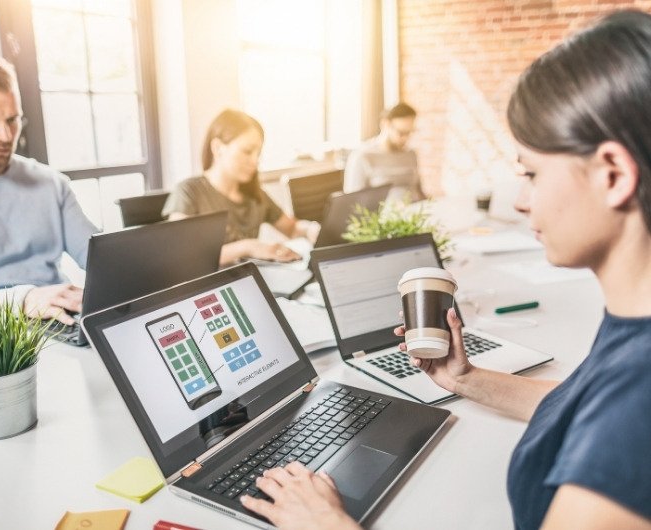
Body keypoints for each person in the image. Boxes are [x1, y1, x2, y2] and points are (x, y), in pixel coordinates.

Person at [239, 10, 651, 530]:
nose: (522, 200)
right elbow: (581, 406)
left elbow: (617, 427)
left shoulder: (638, 408)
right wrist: (465, 378)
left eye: (531, 172)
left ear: (613, 174)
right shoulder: (634, 330)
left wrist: (325, 524)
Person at [0, 51, 98, 324]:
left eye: (12, 120)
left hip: (60, 322)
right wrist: (24, 299)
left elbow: (100, 259)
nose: (5, 136)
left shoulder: (51, 183)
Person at [163, 109, 319, 265]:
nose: (255, 161)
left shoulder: (256, 196)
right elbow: (180, 257)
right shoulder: (188, 192)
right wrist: (249, 247)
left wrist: (310, 228)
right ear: (218, 148)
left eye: (258, 154)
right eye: (247, 151)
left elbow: (292, 229)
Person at [343, 102, 425, 201]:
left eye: (409, 132)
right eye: (401, 133)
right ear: (385, 124)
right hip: (383, 215)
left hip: (415, 213)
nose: (405, 139)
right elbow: (352, 201)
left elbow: (419, 191)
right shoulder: (362, 156)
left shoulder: (411, 154)